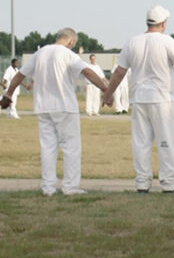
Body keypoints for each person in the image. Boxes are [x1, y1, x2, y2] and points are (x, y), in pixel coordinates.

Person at [103, 5, 174, 194]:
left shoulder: (132, 42)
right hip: (162, 99)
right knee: (166, 141)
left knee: (141, 142)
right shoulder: (167, 41)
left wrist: (108, 93)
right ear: (163, 23)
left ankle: (142, 183)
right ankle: (169, 183)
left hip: (139, 99)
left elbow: (119, 72)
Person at [1, 28, 108, 195]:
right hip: (64, 106)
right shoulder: (67, 54)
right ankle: (70, 187)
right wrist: (105, 89)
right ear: (71, 42)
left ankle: (48, 187)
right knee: (71, 147)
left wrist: (8, 93)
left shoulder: (40, 53)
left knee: (48, 147)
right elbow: (86, 71)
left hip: (43, 107)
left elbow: (20, 75)